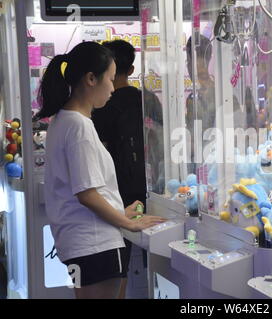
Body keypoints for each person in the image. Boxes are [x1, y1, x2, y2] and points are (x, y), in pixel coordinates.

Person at [35, 41, 166, 299]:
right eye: (109, 78)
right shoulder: (79, 126)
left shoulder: (62, 121)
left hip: (78, 243)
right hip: (96, 245)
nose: (112, 88)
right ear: (91, 79)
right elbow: (87, 194)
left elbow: (87, 190)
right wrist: (126, 222)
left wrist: (119, 211)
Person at [91, 40, 162, 298]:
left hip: (115, 192)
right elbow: (160, 144)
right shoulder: (148, 99)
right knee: (157, 258)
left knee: (118, 264)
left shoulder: (100, 106)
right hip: (153, 188)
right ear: (131, 70)